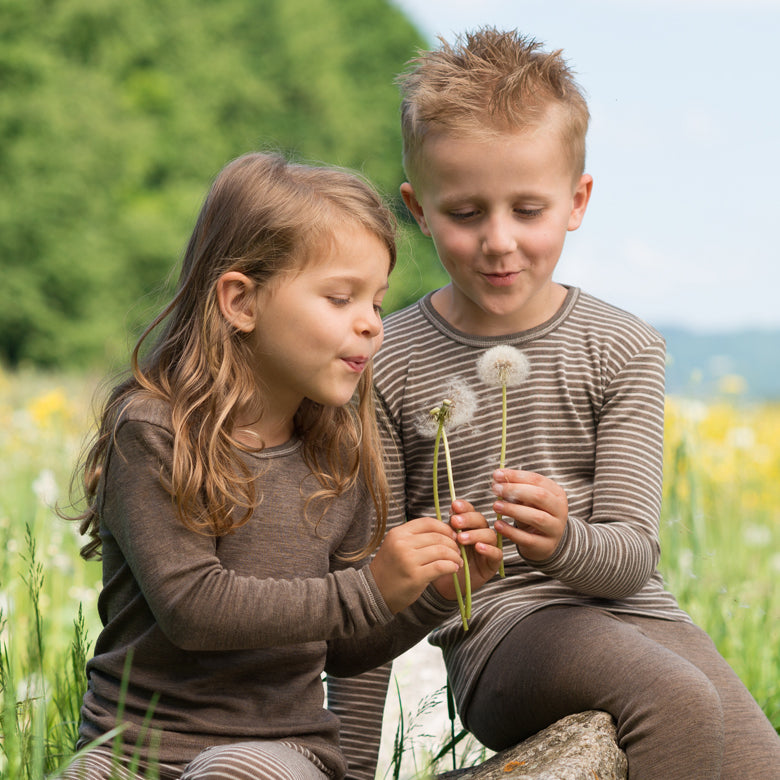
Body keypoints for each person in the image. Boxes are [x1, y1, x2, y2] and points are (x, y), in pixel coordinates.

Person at [327, 29, 780, 780]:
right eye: (466, 213)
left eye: (527, 209)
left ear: (577, 201)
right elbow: (371, 583)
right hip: (503, 634)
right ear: (418, 209)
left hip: (638, 614)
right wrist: (341, 767)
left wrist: (566, 541)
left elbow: (633, 557)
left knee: (758, 759)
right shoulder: (387, 361)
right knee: (675, 699)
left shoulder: (624, 345)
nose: (499, 241)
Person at [58, 152, 501, 780]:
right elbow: (193, 608)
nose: (372, 325)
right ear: (241, 301)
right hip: (131, 746)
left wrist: (430, 594)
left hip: (280, 749)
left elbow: (344, 648)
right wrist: (368, 587)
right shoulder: (154, 431)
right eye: (341, 297)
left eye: (377, 303)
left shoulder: (339, 455)